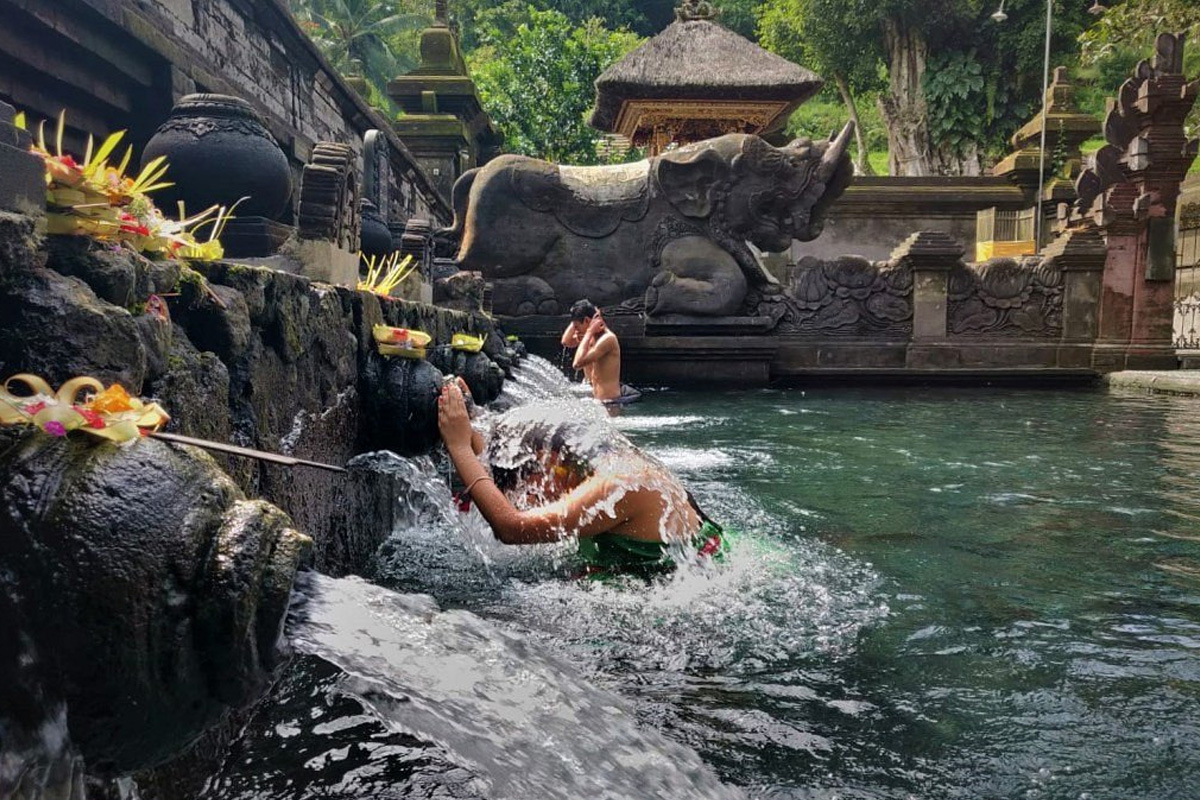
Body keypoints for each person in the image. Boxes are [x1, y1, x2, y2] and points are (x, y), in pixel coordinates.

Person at [437, 381, 724, 577]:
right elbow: (498, 462)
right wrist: (469, 415)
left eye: (529, 481)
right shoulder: (590, 463)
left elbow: (511, 528)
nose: (528, 496)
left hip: (700, 587)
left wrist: (460, 448)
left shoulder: (619, 483)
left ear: (549, 460)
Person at [560, 300, 631, 405]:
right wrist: (578, 315)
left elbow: (577, 364)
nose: (575, 331)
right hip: (598, 401)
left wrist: (589, 331)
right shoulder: (590, 337)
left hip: (610, 403)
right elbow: (566, 341)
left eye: (576, 326)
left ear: (587, 321)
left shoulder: (607, 339)